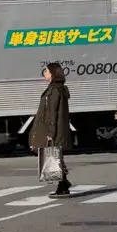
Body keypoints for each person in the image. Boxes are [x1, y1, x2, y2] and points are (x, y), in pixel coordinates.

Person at [30, 62, 74, 198]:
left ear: (53, 74)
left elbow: (52, 113)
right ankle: (64, 185)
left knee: (54, 156)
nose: (45, 73)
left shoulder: (54, 90)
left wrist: (50, 133)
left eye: (47, 71)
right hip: (54, 129)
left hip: (53, 130)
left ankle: (63, 185)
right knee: (55, 156)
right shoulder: (55, 89)